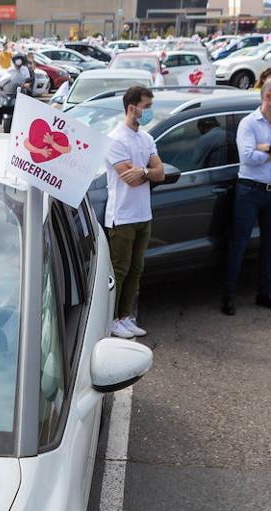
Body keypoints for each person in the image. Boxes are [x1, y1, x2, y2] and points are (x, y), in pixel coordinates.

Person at [222, 77, 271, 316]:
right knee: (239, 243)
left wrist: (265, 147)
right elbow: (247, 157)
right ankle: (228, 296)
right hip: (250, 190)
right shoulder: (249, 123)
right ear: (268, 95)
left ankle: (265, 293)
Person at [104, 85, 165, 339]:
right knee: (120, 269)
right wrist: (146, 172)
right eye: (147, 107)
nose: (150, 111)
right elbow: (129, 179)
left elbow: (159, 173)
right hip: (122, 215)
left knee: (137, 268)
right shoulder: (115, 139)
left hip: (143, 214)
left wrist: (144, 172)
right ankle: (110, 319)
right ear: (132, 108)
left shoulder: (146, 138)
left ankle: (125, 316)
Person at [0, 54, 32, 132]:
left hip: (21, 91)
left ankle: (27, 125)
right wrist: (0, 87)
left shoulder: (24, 69)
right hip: (9, 92)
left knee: (28, 106)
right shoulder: (10, 70)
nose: (18, 66)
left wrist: (27, 84)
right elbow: (3, 80)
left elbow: (28, 80)